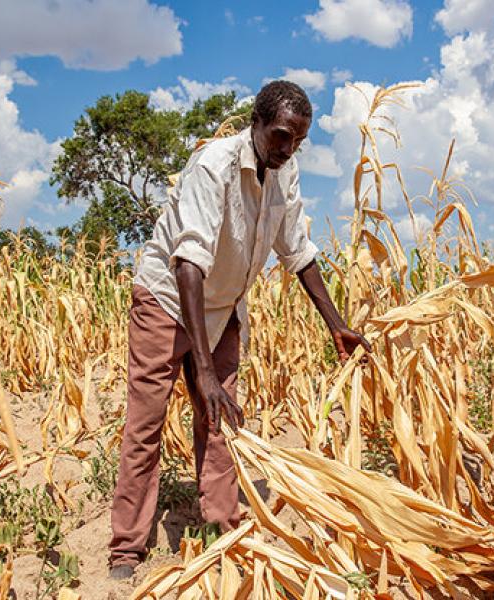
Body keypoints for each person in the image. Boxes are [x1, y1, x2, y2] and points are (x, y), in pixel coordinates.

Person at [108, 80, 370, 579]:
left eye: (297, 140)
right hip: (168, 300)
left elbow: (299, 250)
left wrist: (336, 325)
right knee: (146, 425)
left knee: (221, 419)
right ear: (255, 123)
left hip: (223, 306)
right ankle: (126, 549)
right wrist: (201, 370)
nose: (288, 148)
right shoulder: (214, 167)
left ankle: (223, 526)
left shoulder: (283, 171)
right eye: (280, 136)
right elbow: (188, 263)